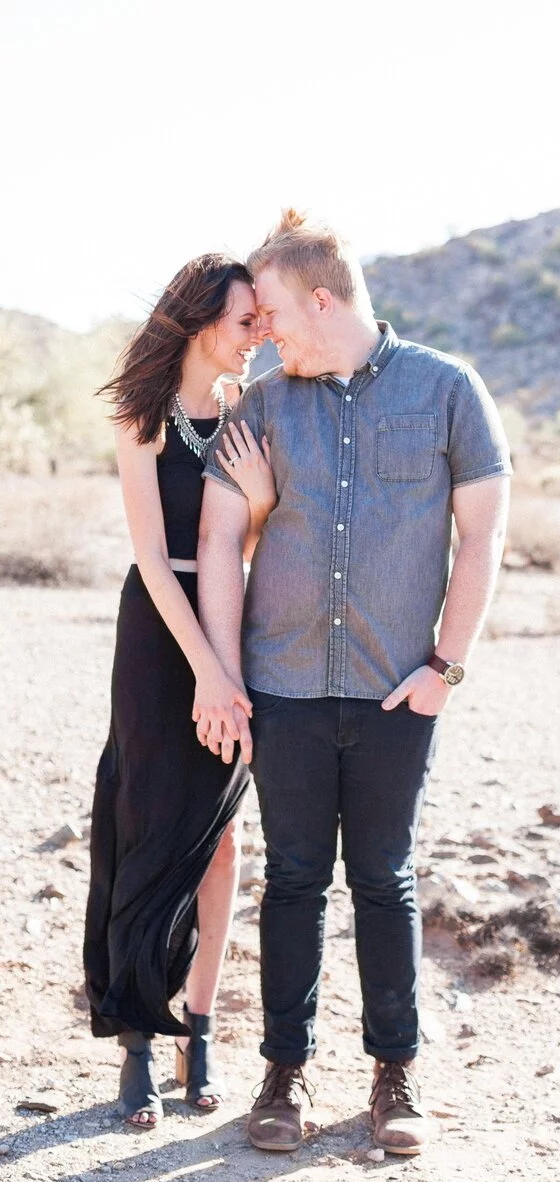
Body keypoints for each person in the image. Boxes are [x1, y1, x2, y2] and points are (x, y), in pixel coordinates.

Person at [196, 210, 511, 1156]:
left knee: (383, 878)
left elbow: (484, 536)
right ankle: (282, 1075)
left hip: (395, 691)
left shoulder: (449, 389)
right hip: (283, 687)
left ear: (322, 299)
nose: (265, 333)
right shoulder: (261, 405)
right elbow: (218, 541)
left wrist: (444, 668)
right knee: (292, 881)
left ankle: (394, 1073)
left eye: (276, 314)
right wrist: (224, 669)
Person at [83, 254, 276, 1129]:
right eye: (245, 323)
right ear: (202, 325)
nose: (258, 336)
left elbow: (254, 536)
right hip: (162, 639)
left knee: (221, 841)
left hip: (236, 623)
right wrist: (205, 667)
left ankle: (199, 1027)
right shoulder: (143, 417)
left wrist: (263, 500)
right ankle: (137, 1041)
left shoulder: (250, 415)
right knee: (147, 830)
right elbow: (155, 562)